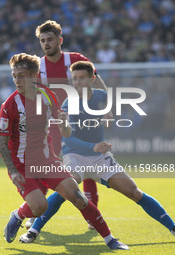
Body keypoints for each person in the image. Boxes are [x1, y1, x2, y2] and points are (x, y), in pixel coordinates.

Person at [19, 61, 175, 243]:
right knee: (66, 191)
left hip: (100, 157)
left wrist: (108, 113)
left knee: (135, 193)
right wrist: (92, 146)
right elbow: (69, 138)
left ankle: (172, 227)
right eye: (74, 79)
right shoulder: (70, 103)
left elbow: (107, 106)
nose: (77, 83)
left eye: (82, 78)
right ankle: (33, 231)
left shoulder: (101, 96)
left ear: (92, 79)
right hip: (75, 155)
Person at [0, 53, 128, 250]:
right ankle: (17, 216)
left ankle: (111, 240)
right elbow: (2, 141)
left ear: (34, 76)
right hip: (22, 165)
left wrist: (65, 124)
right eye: (15, 76)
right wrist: (13, 171)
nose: (17, 80)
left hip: (47, 159)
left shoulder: (48, 96)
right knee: (40, 207)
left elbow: (65, 131)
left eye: (22, 75)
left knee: (78, 197)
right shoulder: (10, 105)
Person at [26, 19, 106, 229]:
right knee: (44, 168)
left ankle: (91, 215)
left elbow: (97, 81)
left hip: (79, 123)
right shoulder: (38, 66)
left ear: (59, 40)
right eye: (42, 40)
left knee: (87, 167)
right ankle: (37, 212)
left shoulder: (75, 60)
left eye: (50, 39)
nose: (46, 43)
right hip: (51, 126)